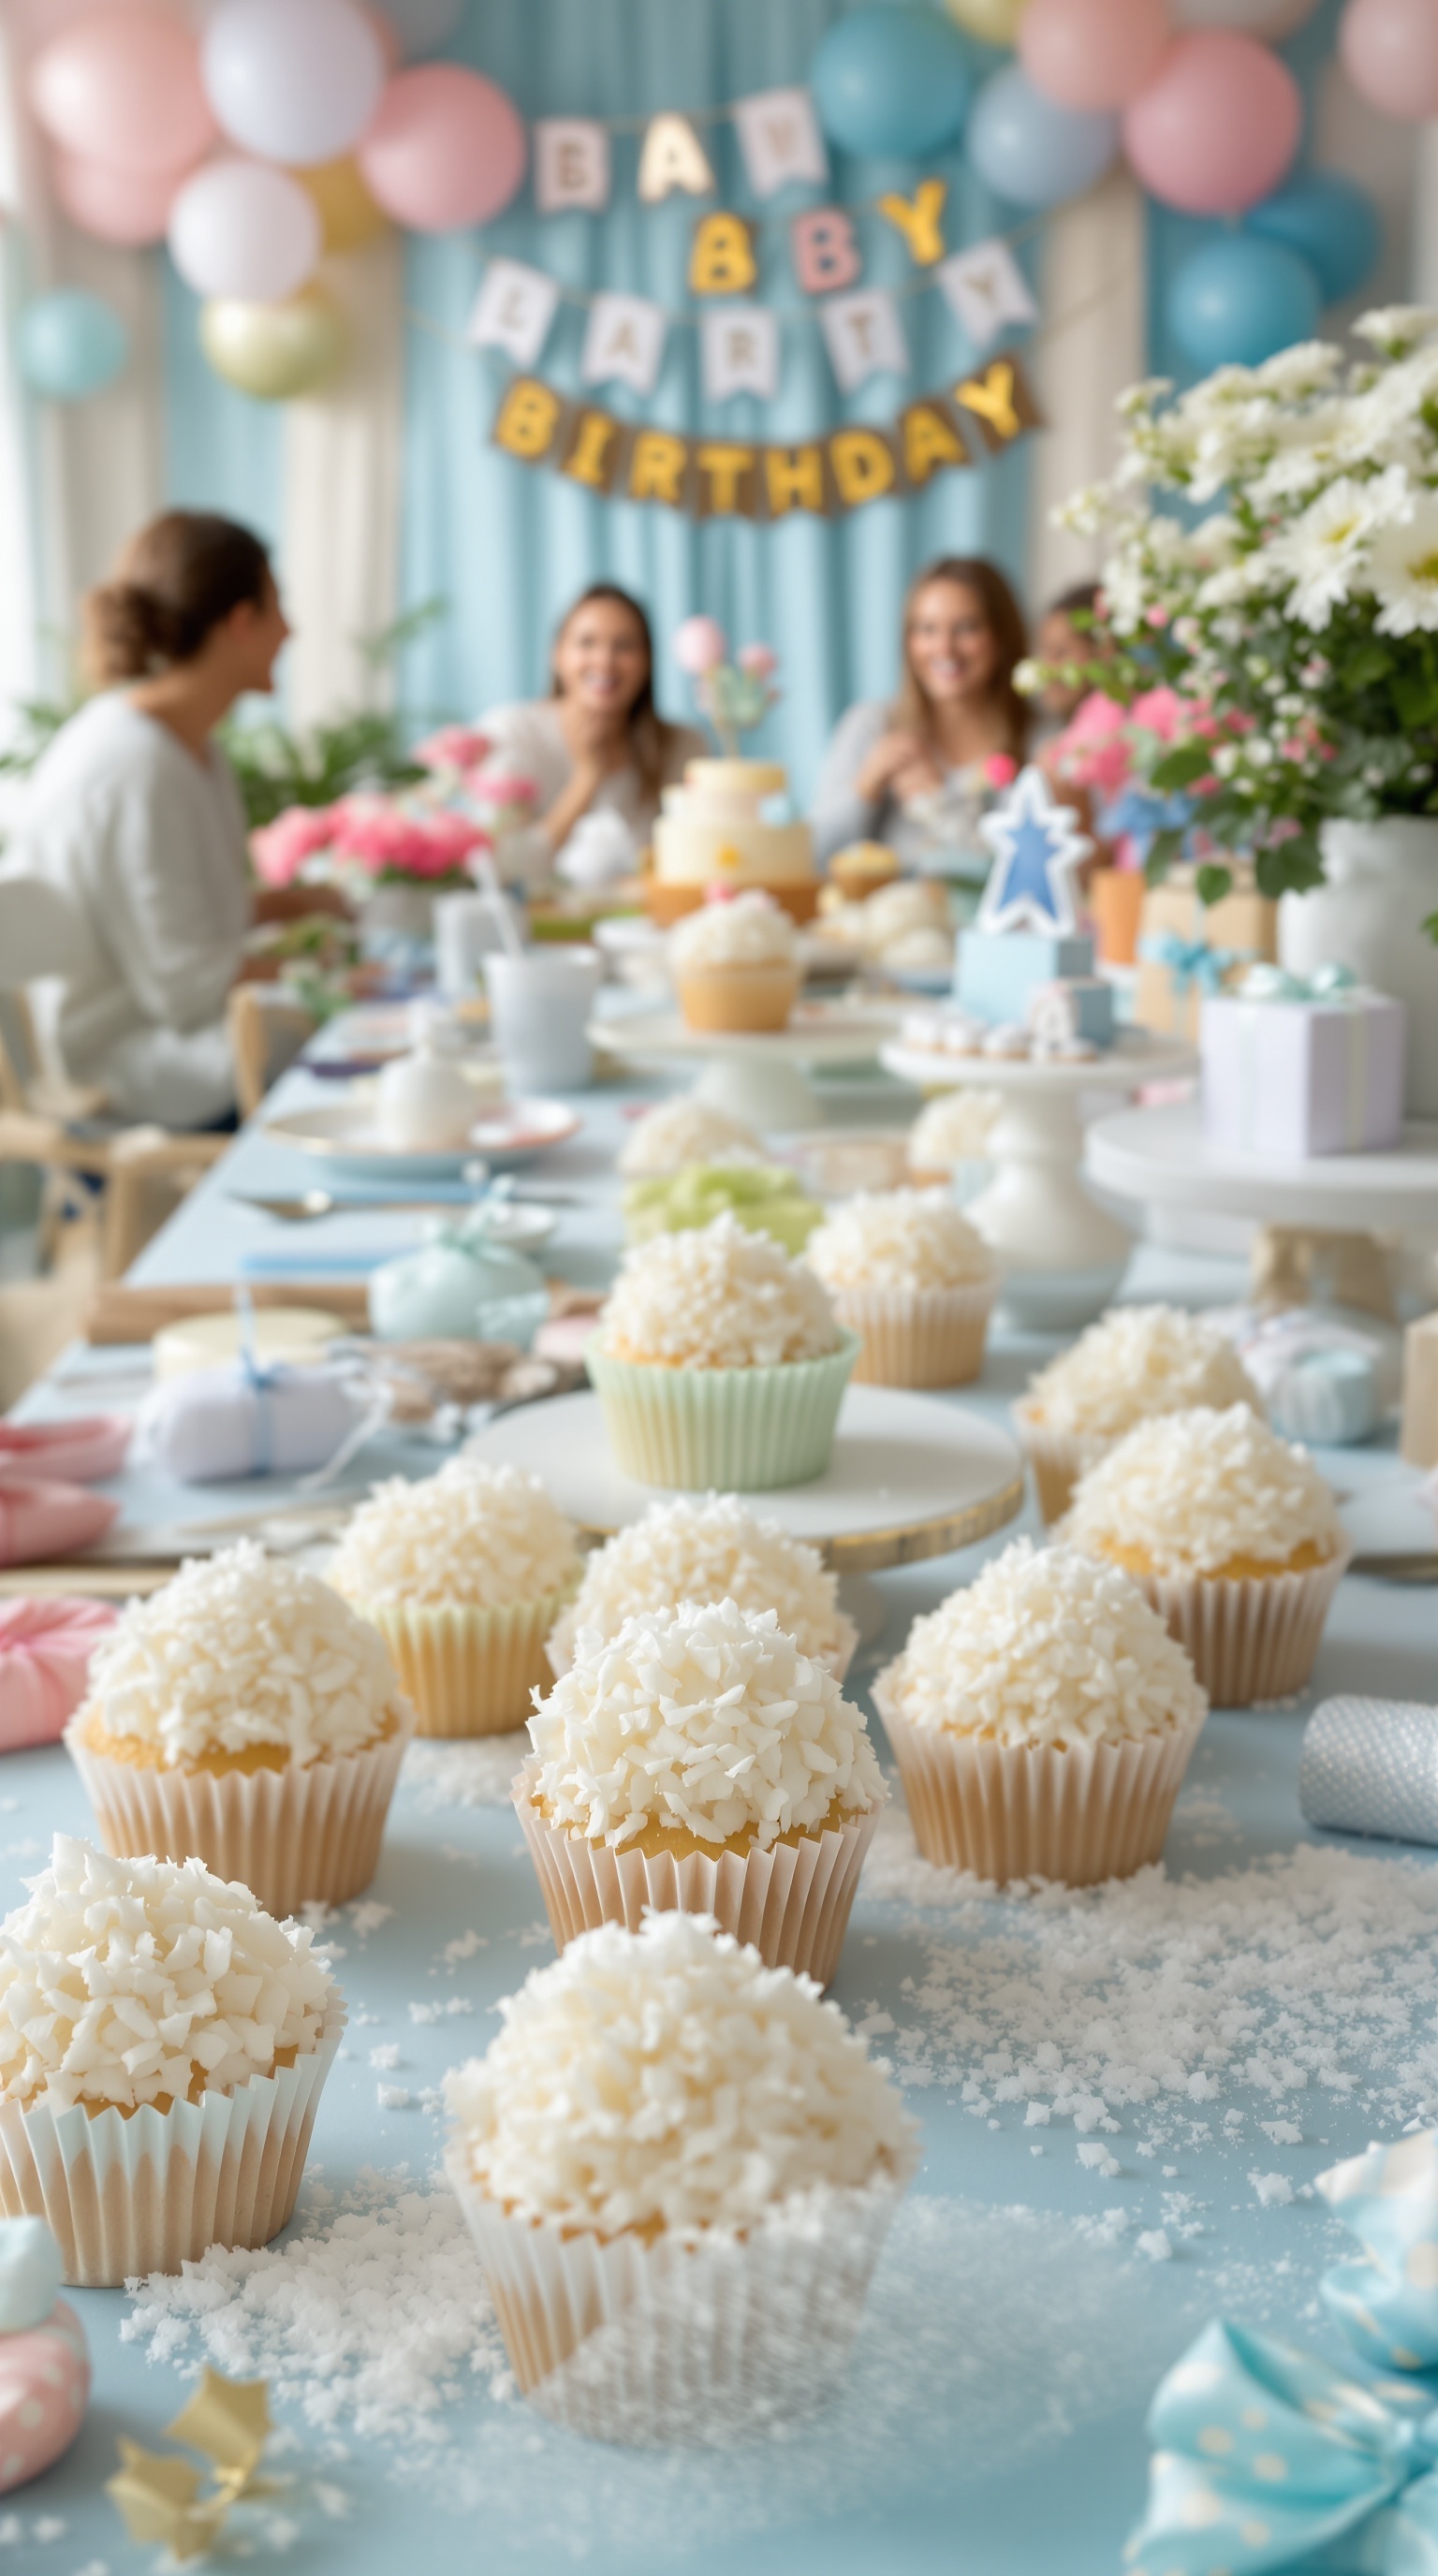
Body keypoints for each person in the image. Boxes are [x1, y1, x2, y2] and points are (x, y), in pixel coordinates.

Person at [6, 510, 333, 1130]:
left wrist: (295, 907)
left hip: (166, 1035)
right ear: (241, 621)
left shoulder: (185, 749)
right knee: (341, 1047)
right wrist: (330, 969)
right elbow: (187, 988)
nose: (290, 631)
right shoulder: (136, 766)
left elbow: (191, 920)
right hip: (130, 1072)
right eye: (277, 607)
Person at [810, 557, 1030, 881]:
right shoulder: (871, 725)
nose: (945, 648)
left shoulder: (1038, 740)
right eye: (927, 629)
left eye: (966, 628)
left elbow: (1019, 873)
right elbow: (813, 859)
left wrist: (938, 804)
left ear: (1001, 637)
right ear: (908, 641)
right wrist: (865, 789)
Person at [477, 584, 706, 886]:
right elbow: (505, 870)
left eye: (624, 646)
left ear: (647, 662)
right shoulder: (511, 733)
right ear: (558, 655)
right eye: (586, 643)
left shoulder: (684, 746)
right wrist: (587, 776)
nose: (605, 660)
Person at [1033, 579, 1111, 738]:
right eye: (1043, 653)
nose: (1048, 668)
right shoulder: (1044, 738)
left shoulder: (1115, 733)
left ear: (1104, 650)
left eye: (1060, 653)